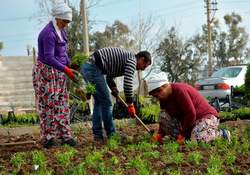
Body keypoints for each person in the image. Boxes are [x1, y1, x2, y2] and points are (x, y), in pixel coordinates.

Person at [80, 47, 151, 141]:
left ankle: (98, 135)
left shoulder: (126, 60)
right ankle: (111, 134)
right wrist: (130, 104)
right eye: (144, 66)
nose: (142, 69)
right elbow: (128, 83)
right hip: (93, 68)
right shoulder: (132, 61)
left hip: (89, 67)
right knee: (107, 102)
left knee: (100, 102)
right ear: (141, 59)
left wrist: (114, 88)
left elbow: (109, 76)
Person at [32, 2, 78, 148]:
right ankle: (48, 138)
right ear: (58, 18)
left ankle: (65, 135)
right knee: (48, 105)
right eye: (65, 21)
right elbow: (49, 57)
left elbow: (62, 53)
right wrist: (66, 69)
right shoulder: (48, 33)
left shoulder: (61, 31)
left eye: (68, 22)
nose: (66, 24)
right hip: (46, 73)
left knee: (62, 104)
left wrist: (70, 63)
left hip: (58, 72)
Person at [147, 73, 231, 144]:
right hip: (189, 122)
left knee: (197, 139)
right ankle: (188, 137)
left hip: (205, 117)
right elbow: (164, 118)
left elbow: (190, 114)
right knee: (162, 114)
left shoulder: (179, 91)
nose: (157, 98)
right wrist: (160, 134)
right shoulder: (163, 98)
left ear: (163, 87)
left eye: (157, 95)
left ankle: (222, 135)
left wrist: (183, 134)